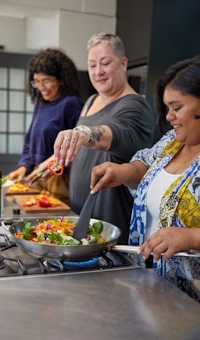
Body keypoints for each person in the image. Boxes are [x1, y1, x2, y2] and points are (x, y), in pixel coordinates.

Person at [90, 55, 200, 302]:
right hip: (151, 287)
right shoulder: (172, 141)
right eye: (167, 108)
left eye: (177, 107)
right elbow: (146, 166)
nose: (169, 117)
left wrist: (192, 237)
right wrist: (123, 172)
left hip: (191, 302)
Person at [27, 33, 155, 244]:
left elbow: (114, 134)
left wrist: (82, 133)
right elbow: (81, 150)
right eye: (92, 65)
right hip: (80, 214)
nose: (98, 72)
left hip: (109, 224)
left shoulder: (134, 105)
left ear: (123, 64)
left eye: (105, 63)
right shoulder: (91, 101)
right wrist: (52, 162)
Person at [7, 48, 83, 204]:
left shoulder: (71, 104)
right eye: (37, 82)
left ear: (61, 79)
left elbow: (78, 148)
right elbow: (30, 141)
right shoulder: (41, 104)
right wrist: (24, 166)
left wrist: (50, 165)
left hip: (59, 179)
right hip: (37, 175)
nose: (41, 87)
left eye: (46, 81)